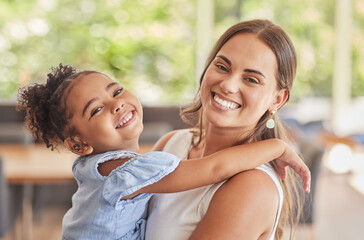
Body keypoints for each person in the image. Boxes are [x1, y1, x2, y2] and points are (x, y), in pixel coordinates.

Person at [17, 63, 309, 240]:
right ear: (78, 145)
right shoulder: (127, 171)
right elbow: (213, 169)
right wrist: (277, 146)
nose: (115, 104)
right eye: (96, 110)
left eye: (117, 91)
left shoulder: (97, 166)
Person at [146, 19, 303, 240]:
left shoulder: (252, 185)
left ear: (277, 99)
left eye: (251, 79)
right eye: (222, 67)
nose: (228, 85)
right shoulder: (172, 144)